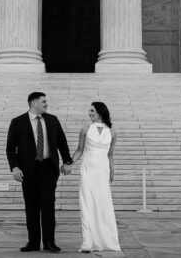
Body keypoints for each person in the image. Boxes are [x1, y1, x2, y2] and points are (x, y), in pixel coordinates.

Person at [6, 91, 73, 252]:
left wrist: (68, 161)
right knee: (31, 207)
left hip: (48, 169)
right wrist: (14, 167)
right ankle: (33, 242)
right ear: (33, 103)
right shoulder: (17, 122)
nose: (46, 104)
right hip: (28, 171)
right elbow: (10, 148)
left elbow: (61, 142)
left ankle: (50, 242)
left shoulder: (52, 120)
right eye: (43, 102)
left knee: (48, 205)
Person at [73, 101, 120, 253]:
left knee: (103, 205)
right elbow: (80, 150)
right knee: (87, 204)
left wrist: (112, 170)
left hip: (102, 171)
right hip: (87, 170)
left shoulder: (112, 132)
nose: (90, 113)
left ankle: (107, 240)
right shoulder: (86, 129)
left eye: (92, 111)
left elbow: (110, 154)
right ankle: (88, 242)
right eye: (89, 111)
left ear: (100, 112)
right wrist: (69, 163)